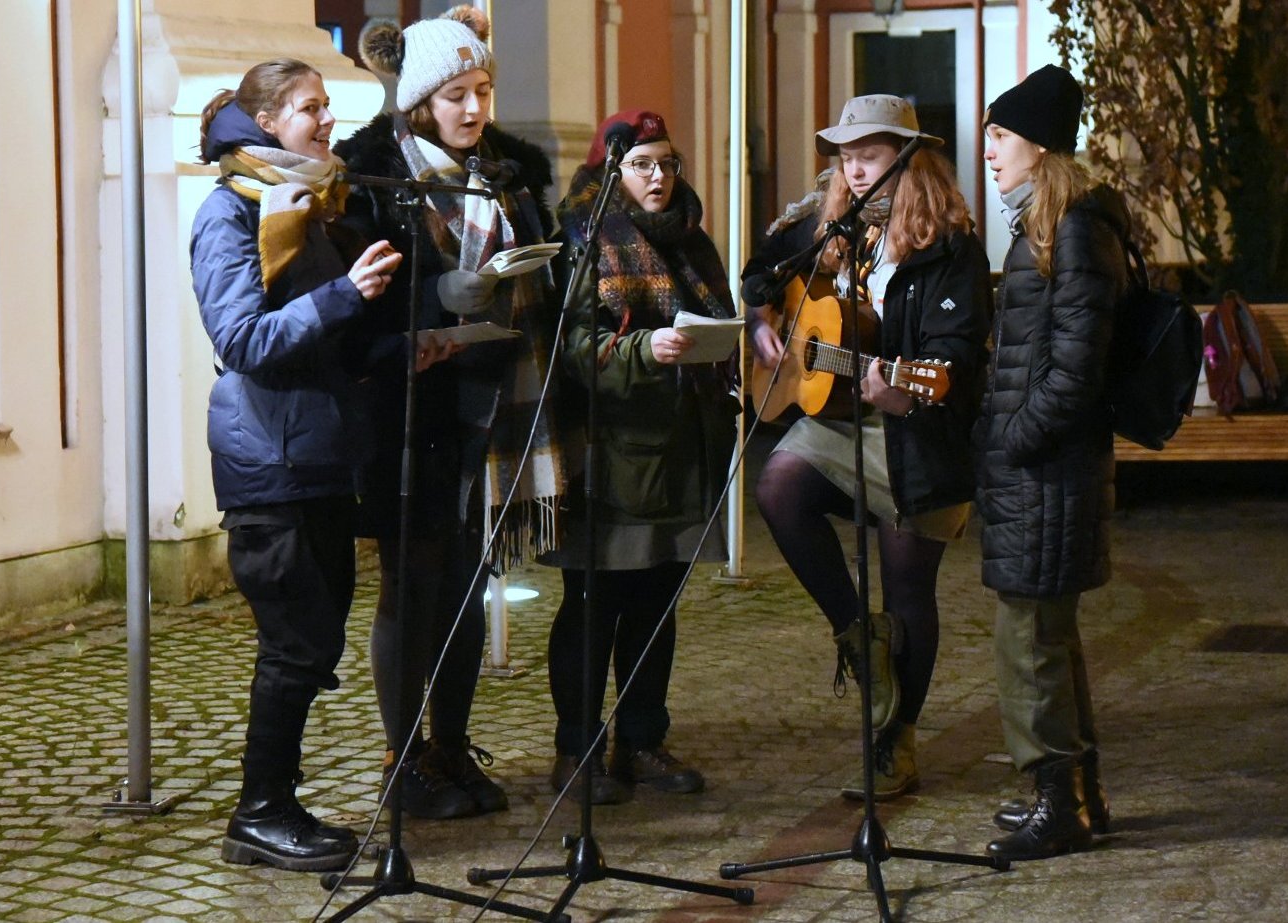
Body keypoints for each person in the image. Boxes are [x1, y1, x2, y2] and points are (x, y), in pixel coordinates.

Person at [335, 6, 564, 819]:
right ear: (420, 102)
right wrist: (435, 293)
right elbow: (353, 304)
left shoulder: (509, 172)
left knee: (474, 583)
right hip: (413, 408)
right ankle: (404, 759)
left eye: (482, 92)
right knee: (413, 584)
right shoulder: (372, 175)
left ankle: (451, 744)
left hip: (496, 402)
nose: (473, 110)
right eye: (456, 95)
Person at [744, 95, 991, 801]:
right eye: (845, 155)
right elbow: (758, 272)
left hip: (920, 430)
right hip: (844, 420)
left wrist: (903, 390)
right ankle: (858, 633)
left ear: (910, 160)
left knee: (908, 583)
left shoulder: (950, 246)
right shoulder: (829, 227)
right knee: (778, 487)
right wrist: (766, 321)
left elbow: (953, 358)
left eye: (870, 154)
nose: (853, 168)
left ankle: (897, 741)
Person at [189, 61, 403, 872]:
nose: (327, 123)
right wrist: (345, 293)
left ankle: (277, 803)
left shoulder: (302, 201)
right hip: (268, 462)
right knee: (293, 645)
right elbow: (242, 339)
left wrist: (395, 345)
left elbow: (317, 338)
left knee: (313, 644)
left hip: (318, 457)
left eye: (328, 109)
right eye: (312, 109)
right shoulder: (228, 211)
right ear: (269, 119)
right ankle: (260, 813)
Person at [540, 111, 738, 804]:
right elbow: (571, 346)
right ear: (611, 172)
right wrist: (641, 350)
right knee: (594, 605)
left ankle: (642, 739)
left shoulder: (689, 236)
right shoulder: (585, 236)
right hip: (611, 452)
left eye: (667, 163)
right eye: (643, 165)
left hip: (683, 448)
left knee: (657, 603)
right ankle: (577, 747)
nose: (660, 177)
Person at [977, 65, 1127, 861]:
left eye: (1000, 136)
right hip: (1040, 470)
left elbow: (1074, 366)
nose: (989, 151)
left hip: (1045, 471)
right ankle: (1077, 793)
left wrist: (1016, 438)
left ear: (1038, 144)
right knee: (1049, 636)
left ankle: (1057, 801)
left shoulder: (1069, 228)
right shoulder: (1047, 222)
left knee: (1029, 639)